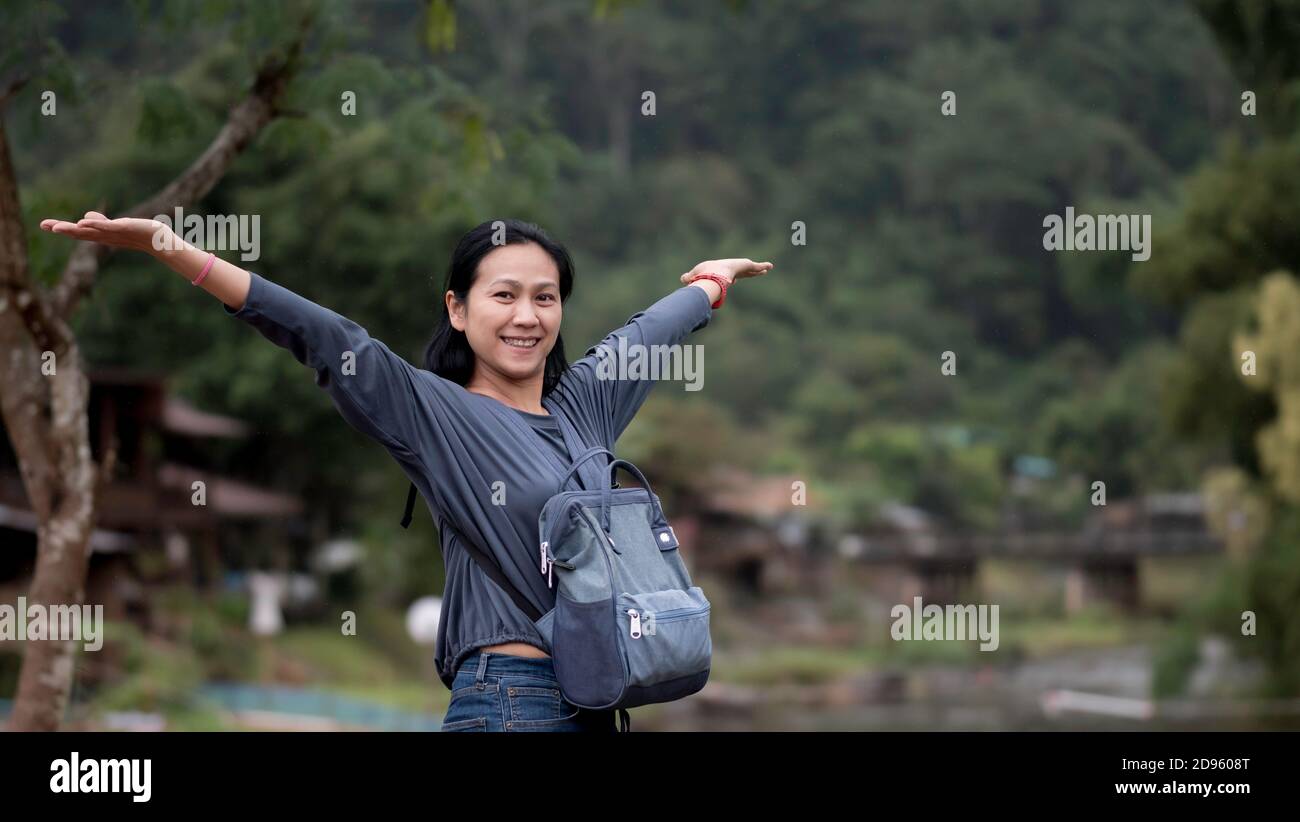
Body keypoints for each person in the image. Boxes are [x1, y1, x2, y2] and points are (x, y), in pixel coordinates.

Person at [39, 212, 773, 731]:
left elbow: (646, 334)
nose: (527, 315)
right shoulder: (431, 413)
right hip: (512, 704)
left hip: (598, 703)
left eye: (544, 297)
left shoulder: (584, 407)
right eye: (504, 294)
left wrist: (712, 282)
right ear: (457, 310)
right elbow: (323, 335)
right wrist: (173, 249)